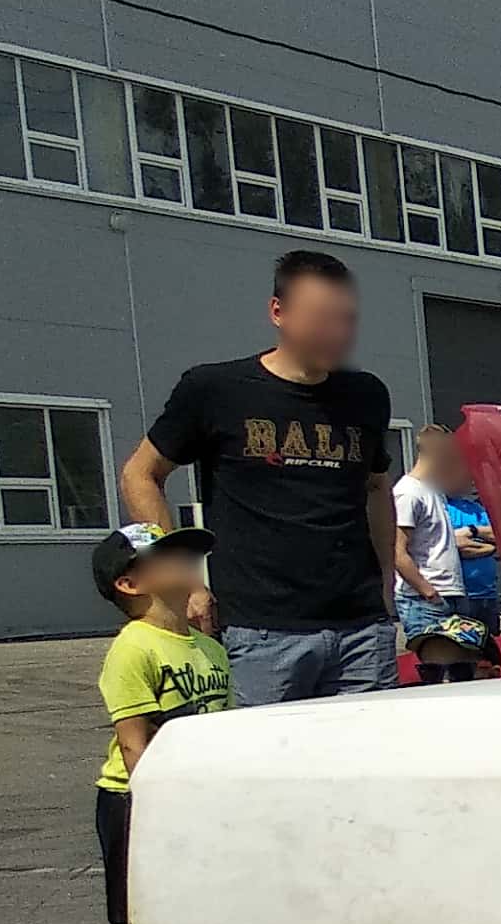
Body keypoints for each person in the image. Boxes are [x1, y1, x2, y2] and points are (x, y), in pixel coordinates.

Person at [121, 249, 429, 703]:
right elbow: (139, 475)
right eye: (321, 318)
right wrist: (182, 582)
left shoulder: (365, 395)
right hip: (260, 634)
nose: (336, 333)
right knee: (264, 769)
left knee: (364, 768)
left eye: (346, 320)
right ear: (278, 312)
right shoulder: (215, 390)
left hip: (361, 631)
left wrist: (386, 585)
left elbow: (376, 486)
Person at [88, 523, 232, 924]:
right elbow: (134, 742)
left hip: (198, 795)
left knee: (196, 912)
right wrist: (157, 808)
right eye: (167, 554)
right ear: (129, 583)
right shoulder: (132, 648)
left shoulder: (209, 647)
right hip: (137, 801)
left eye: (188, 551)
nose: (185, 559)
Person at [390, 425, 492, 685]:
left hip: (452, 594)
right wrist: (427, 591)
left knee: (463, 671)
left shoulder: (435, 493)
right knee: (439, 676)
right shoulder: (408, 493)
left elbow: (439, 546)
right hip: (426, 599)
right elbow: (397, 551)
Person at [446, 479, 501, 630]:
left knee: (492, 648)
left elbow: (500, 536)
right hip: (462, 597)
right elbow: (459, 547)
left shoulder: (477, 509)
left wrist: (473, 531)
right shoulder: (443, 510)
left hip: (488, 595)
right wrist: (490, 548)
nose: (471, 481)